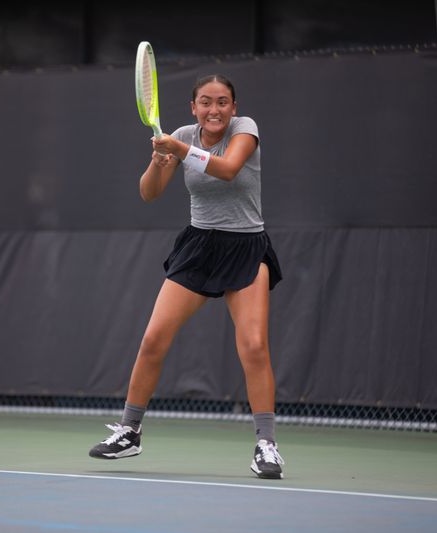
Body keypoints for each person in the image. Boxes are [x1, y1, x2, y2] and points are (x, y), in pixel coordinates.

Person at [89, 74, 284, 479]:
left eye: (222, 102)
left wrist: (179, 150)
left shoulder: (245, 129)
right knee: (153, 338)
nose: (215, 110)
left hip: (245, 246)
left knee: (253, 345)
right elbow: (149, 192)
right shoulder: (181, 135)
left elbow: (228, 170)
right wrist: (159, 162)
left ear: (233, 107)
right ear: (193, 107)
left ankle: (266, 445)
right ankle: (129, 431)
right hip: (198, 246)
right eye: (206, 102)